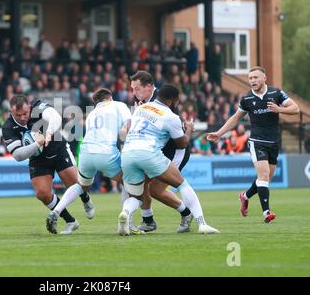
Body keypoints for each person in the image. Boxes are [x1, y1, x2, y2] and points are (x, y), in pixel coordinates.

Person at [118, 84, 219, 235]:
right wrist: (189, 130)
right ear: (171, 102)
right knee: (182, 184)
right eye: (177, 102)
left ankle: (125, 213)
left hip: (127, 153)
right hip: (148, 152)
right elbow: (182, 143)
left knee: (137, 194)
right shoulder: (171, 116)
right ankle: (202, 223)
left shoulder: (140, 108)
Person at [207, 66, 300, 223]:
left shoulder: (276, 93)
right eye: (250, 78)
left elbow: (296, 109)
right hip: (257, 141)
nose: (252, 81)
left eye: (256, 77)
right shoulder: (247, 99)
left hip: (274, 142)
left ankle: (245, 196)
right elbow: (235, 118)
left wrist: (279, 109)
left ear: (264, 78)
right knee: (263, 176)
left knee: (265, 180)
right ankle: (266, 212)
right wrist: (219, 133)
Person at [46, 88, 136, 234]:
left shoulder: (92, 113)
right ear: (110, 97)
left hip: (86, 153)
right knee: (129, 181)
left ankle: (56, 211)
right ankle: (128, 221)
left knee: (81, 185)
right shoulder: (119, 105)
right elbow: (128, 127)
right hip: (106, 151)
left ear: (96, 102)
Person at [2, 95, 94, 234]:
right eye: (17, 114)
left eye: (25, 113)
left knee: (77, 185)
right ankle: (71, 221)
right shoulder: (8, 127)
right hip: (38, 159)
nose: (22, 117)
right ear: (10, 111)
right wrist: (37, 144)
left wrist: (49, 132)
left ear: (29, 107)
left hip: (58, 150)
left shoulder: (37, 107)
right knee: (42, 194)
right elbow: (18, 155)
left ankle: (85, 199)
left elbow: (55, 116)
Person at [129, 70, 194, 233]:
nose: (134, 92)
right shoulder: (142, 103)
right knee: (139, 181)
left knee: (155, 190)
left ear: (149, 87)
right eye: (132, 89)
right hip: (155, 152)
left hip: (175, 151)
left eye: (137, 89)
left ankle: (188, 214)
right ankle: (148, 220)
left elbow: (177, 132)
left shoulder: (163, 99)